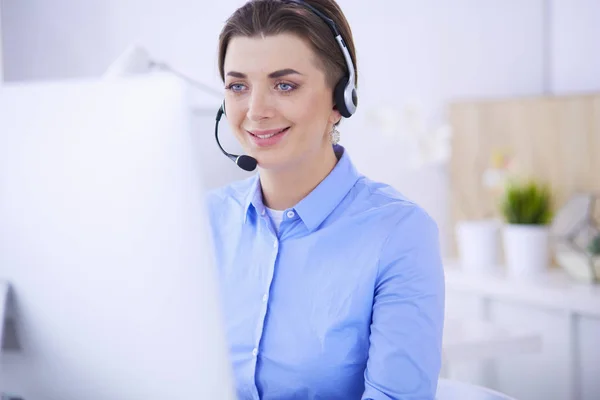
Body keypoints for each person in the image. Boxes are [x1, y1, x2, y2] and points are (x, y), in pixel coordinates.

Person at [206, 0, 445, 399]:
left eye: (285, 85)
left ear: (341, 99)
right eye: (238, 86)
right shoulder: (203, 220)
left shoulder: (399, 233)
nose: (256, 110)